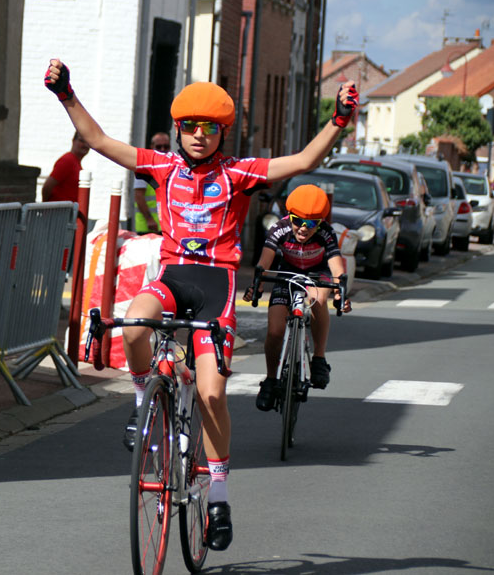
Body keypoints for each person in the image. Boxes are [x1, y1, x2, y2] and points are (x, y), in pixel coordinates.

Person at [44, 58, 358, 552]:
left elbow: (300, 163)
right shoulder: (162, 166)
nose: (197, 136)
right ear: (178, 129)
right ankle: (144, 397)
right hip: (172, 278)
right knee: (133, 326)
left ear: (221, 134)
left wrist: (338, 122)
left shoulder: (238, 174)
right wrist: (67, 94)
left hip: (217, 286)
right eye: (189, 127)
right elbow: (101, 141)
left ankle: (218, 495)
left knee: (211, 394)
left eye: (208, 129)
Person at [243, 185, 352, 411]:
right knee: (274, 330)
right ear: (289, 216)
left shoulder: (326, 233)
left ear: (320, 223)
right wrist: (258, 284)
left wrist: (341, 290)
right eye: (297, 221)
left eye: (311, 223)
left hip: (316, 273)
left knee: (318, 300)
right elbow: (265, 261)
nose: (303, 228)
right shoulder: (279, 229)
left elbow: (335, 264)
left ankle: (319, 359)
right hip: (288, 273)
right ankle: (271, 380)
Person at [134, 131, 170, 234]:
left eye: (166, 146)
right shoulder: (145, 168)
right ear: (152, 147)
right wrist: (149, 219)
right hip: (147, 226)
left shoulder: (171, 167)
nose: (163, 150)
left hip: (165, 226)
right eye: (159, 147)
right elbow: (138, 196)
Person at [41, 131, 90, 202]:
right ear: (73, 141)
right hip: (60, 211)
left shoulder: (76, 163)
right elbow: (47, 186)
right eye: (81, 141)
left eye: (88, 142)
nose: (85, 145)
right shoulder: (67, 160)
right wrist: (46, 207)